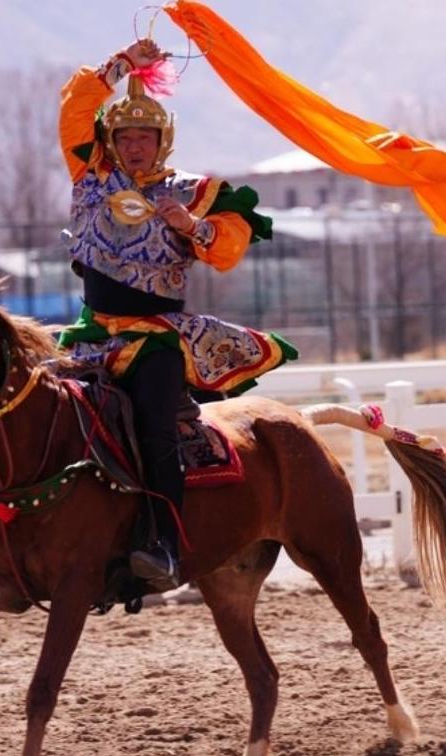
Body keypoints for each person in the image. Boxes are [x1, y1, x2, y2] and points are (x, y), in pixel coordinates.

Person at [57, 38, 297, 591]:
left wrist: (191, 226)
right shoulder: (89, 172)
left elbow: (230, 249)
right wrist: (122, 65)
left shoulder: (193, 191)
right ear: (110, 140)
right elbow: (74, 106)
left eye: (144, 136)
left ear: (162, 141)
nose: (134, 146)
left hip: (156, 339)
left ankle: (163, 544)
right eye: (124, 136)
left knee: (155, 428)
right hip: (90, 335)